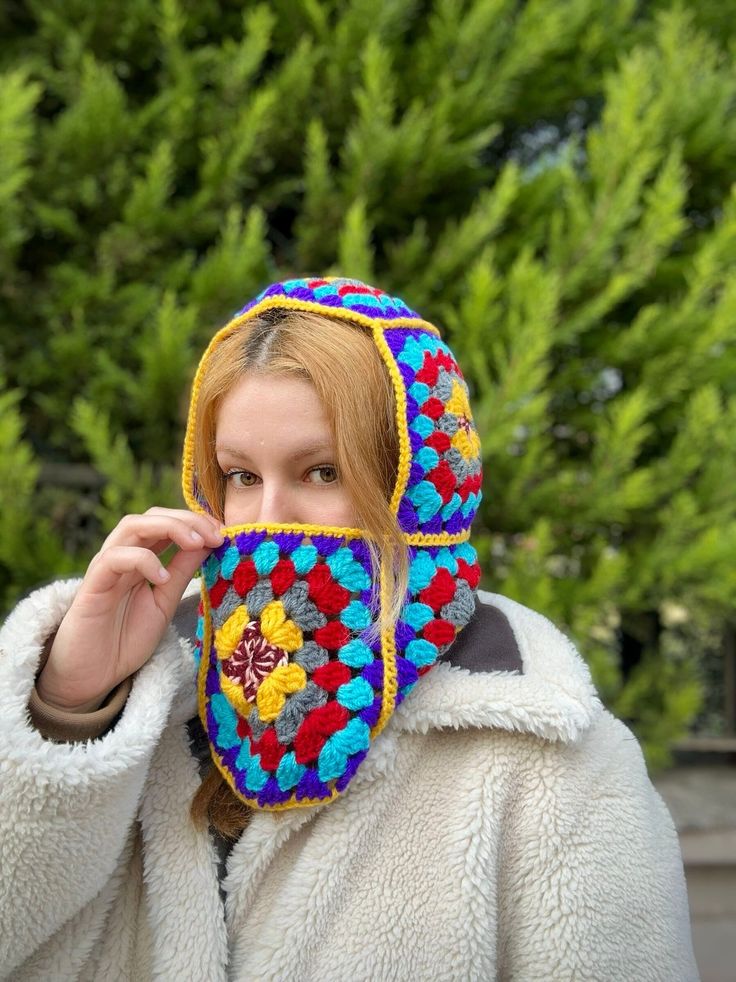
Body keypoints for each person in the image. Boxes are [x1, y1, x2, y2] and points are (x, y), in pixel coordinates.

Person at [0, 277, 698, 981]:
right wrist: (70, 707)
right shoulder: (157, 698)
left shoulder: (550, 760)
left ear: (418, 485)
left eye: (322, 471)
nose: (272, 516)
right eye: (239, 476)